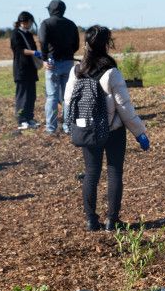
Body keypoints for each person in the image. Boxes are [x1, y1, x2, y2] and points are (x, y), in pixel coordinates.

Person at [63, 25, 150, 231]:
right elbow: (125, 108)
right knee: (114, 172)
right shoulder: (111, 72)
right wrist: (140, 133)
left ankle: (91, 220)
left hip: (88, 130)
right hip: (113, 131)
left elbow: (68, 101)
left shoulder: (76, 71)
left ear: (86, 44)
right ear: (107, 45)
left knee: (91, 173)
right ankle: (112, 220)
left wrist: (70, 126)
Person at [40, 0, 80, 135]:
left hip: (52, 63)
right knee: (67, 96)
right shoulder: (71, 24)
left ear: (50, 10)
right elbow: (76, 45)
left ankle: (51, 128)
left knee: (51, 96)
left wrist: (44, 58)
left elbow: (43, 42)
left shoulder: (46, 24)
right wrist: (68, 53)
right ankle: (68, 127)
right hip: (68, 63)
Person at [10, 11, 41, 130]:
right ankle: (21, 120)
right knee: (22, 95)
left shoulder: (29, 34)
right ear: (24, 22)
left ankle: (29, 118)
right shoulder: (15, 34)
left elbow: (33, 47)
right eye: (31, 22)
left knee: (31, 95)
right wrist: (34, 52)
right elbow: (19, 50)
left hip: (31, 69)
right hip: (21, 69)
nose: (31, 24)